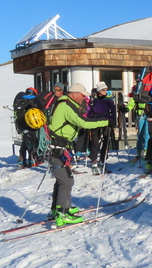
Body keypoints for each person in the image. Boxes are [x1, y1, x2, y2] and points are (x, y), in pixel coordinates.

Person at [47, 83, 110, 226]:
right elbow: (83, 122)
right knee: (66, 181)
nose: (84, 98)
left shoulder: (65, 103)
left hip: (59, 147)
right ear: (74, 94)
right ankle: (62, 213)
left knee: (63, 180)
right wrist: (105, 122)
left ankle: (59, 209)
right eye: (82, 95)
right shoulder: (65, 105)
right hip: (57, 148)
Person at [87, 82, 116, 175]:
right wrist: (88, 120)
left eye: (106, 89)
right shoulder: (93, 100)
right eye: (103, 90)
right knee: (95, 142)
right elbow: (89, 110)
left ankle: (103, 161)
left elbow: (114, 111)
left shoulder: (109, 100)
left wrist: (113, 121)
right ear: (99, 91)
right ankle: (94, 161)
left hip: (106, 121)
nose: (105, 91)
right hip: (95, 121)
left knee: (106, 142)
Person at [13, 87, 43, 168]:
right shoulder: (35, 100)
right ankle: (32, 159)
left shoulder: (20, 101)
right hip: (32, 125)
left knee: (25, 142)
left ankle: (22, 161)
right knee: (31, 143)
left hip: (21, 125)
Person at [124, 85, 149, 165]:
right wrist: (127, 108)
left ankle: (145, 151)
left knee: (147, 134)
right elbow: (132, 102)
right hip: (141, 114)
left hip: (148, 114)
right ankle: (139, 152)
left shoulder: (148, 89)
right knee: (141, 134)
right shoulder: (137, 91)